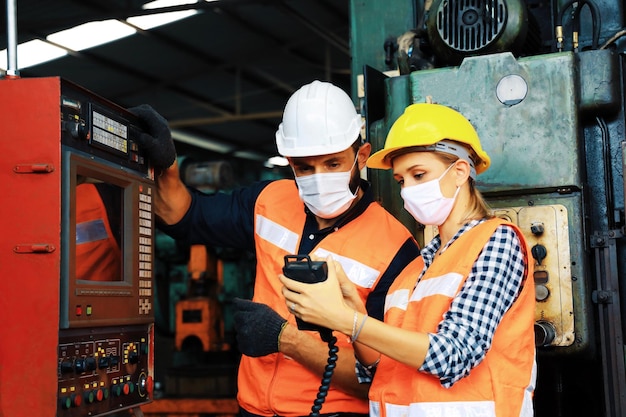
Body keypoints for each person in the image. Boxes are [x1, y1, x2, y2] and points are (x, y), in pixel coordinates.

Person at [130, 81, 420, 417]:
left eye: (333, 164)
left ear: (362, 155)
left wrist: (287, 340)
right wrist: (168, 168)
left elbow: (382, 378)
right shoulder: (270, 201)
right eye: (304, 167)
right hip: (251, 408)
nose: (318, 178)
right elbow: (183, 215)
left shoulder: (397, 249)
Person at [280, 103, 536, 417]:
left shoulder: (496, 241)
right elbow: (376, 368)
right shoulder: (416, 267)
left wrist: (349, 322)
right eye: (402, 181)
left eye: (419, 175)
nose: (409, 190)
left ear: (459, 172)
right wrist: (353, 310)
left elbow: (455, 354)